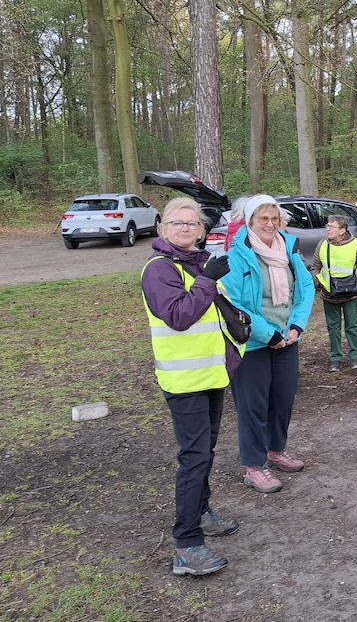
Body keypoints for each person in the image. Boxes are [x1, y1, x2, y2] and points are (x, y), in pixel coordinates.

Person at [140, 197, 240, 576]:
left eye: (192, 223)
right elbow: (179, 316)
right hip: (184, 381)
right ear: (163, 228)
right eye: (177, 223)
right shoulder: (159, 270)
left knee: (205, 451)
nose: (185, 228)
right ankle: (187, 543)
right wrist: (208, 280)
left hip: (210, 374)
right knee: (194, 457)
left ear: (201, 230)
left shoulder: (195, 264)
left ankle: (201, 511)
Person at [221, 194, 315, 493]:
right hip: (252, 343)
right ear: (250, 221)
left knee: (282, 400)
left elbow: (305, 287)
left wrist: (296, 325)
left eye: (275, 218)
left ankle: (275, 450)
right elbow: (233, 303)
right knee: (253, 406)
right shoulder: (237, 254)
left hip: (287, 338)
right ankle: (253, 466)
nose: (270, 224)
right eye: (263, 218)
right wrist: (268, 334)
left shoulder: (288, 248)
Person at [309, 214, 357, 372]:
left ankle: (355, 357)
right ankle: (335, 359)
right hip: (329, 294)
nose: (328, 229)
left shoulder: (355, 245)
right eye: (328, 225)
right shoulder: (322, 245)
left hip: (350, 294)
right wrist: (320, 283)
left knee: (352, 326)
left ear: (342, 230)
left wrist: (355, 283)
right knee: (333, 328)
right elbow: (315, 267)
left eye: (332, 226)